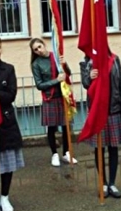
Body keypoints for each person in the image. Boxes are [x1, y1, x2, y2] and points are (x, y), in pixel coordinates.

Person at [79, 52, 121, 199]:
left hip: (113, 110)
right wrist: (90, 76)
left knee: (113, 148)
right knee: (99, 149)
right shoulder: (86, 63)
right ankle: (103, 183)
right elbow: (86, 84)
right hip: (97, 111)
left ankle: (112, 183)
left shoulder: (114, 60)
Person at [0, 34, 24, 211]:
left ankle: (5, 197)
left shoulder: (8, 69)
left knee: (8, 164)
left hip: (5, 121)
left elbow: (11, 95)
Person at [29, 38, 77, 167]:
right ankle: (54, 154)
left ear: (44, 45)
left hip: (63, 96)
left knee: (66, 126)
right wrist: (56, 80)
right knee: (51, 127)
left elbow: (68, 74)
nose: (39, 50)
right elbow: (39, 85)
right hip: (50, 98)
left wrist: (64, 64)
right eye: (35, 49)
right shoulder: (36, 64)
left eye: (40, 46)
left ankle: (66, 152)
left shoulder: (55, 56)